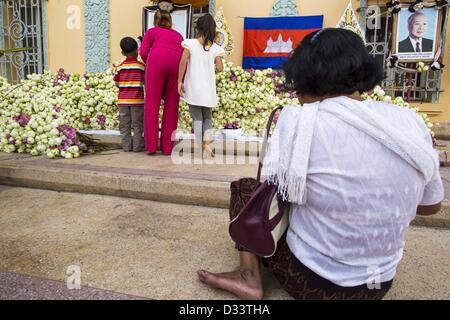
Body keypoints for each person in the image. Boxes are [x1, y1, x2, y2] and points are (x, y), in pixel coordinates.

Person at [197, 28, 444, 300]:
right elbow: (430, 206)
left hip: (312, 284)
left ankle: (248, 277)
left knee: (247, 190)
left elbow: (276, 194)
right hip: (378, 285)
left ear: (304, 75)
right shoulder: (409, 121)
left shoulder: (298, 121)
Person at [178, 14, 225, 158]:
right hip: (208, 89)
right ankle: (206, 144)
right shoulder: (216, 48)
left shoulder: (190, 44)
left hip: (193, 87)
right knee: (207, 117)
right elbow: (220, 68)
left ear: (198, 28)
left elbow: (183, 62)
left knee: (197, 118)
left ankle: (202, 146)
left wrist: (179, 81)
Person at [140, 10, 183, 156]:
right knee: (172, 106)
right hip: (177, 63)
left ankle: (151, 146)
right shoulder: (178, 35)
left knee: (152, 105)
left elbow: (143, 51)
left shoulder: (152, 32)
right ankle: (167, 148)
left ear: (155, 21)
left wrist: (150, 64)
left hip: (157, 60)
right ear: (170, 21)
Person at [114, 37, 146, 152]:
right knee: (137, 124)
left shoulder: (119, 68)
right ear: (137, 50)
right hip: (137, 102)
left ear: (122, 53)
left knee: (124, 125)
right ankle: (137, 147)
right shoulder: (141, 67)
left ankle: (127, 147)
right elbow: (144, 82)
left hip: (123, 102)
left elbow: (117, 83)